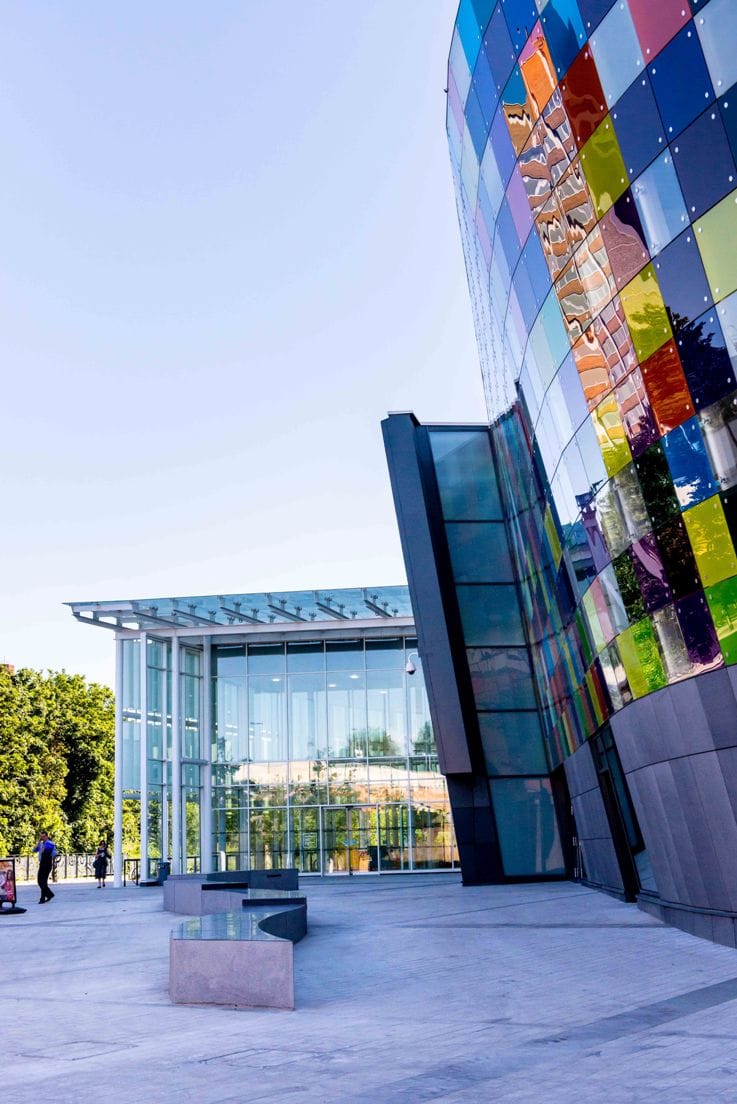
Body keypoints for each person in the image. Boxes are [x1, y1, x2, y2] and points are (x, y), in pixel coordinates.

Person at [32, 831, 57, 904]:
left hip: (47, 863)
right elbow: (34, 850)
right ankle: (49, 894)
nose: (42, 838)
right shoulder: (41, 844)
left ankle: (42, 898)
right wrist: (38, 843)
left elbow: (53, 853)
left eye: (43, 836)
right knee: (40, 881)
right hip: (42, 863)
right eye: (41, 836)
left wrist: (45, 851)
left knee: (43, 881)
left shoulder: (50, 844)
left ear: (46, 836)